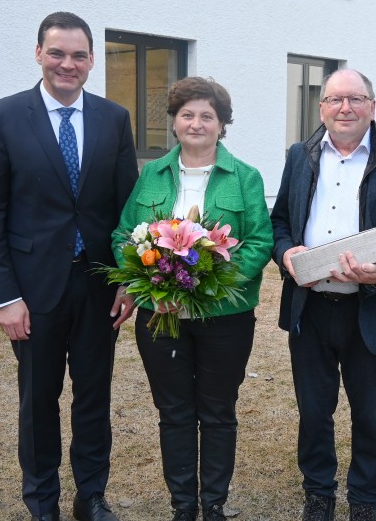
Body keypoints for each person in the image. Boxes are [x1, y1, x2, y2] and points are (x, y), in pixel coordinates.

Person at [0, 12, 139, 521]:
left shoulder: (114, 118)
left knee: (94, 398)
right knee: (38, 403)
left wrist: (129, 281)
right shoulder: (1, 117)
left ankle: (90, 496)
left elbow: (128, 208)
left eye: (80, 55)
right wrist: (4, 297)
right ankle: (42, 502)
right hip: (32, 290)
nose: (69, 64)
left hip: (97, 286)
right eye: (58, 53)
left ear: (92, 60)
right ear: (39, 53)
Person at [112, 76, 273, 521]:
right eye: (187, 115)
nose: (196, 123)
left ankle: (214, 504)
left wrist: (207, 284)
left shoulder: (246, 178)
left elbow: (260, 241)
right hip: (161, 316)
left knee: (219, 410)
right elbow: (124, 233)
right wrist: (144, 279)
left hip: (226, 317)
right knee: (174, 411)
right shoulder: (151, 175)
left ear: (222, 125)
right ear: (174, 122)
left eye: (207, 116)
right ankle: (183, 506)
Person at [271, 69, 376, 521]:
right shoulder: (299, 156)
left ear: (372, 107)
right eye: (335, 100)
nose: (345, 108)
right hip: (312, 307)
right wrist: (286, 255)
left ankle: (364, 501)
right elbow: (280, 221)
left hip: (371, 309)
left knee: (370, 416)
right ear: (321, 107)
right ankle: (318, 494)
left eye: (356, 99)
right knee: (314, 412)